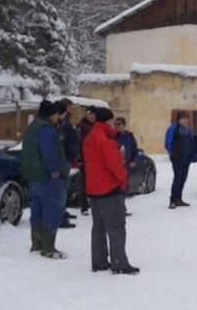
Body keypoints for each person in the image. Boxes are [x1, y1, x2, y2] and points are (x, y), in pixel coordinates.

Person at [83, 108, 139, 275]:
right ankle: (119, 262)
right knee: (116, 227)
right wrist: (123, 181)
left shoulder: (90, 137)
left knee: (98, 226)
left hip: (93, 188)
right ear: (107, 121)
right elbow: (115, 165)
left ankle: (99, 261)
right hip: (109, 188)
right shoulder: (105, 140)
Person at [23, 100, 67, 259]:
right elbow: (49, 153)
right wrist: (54, 170)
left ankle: (37, 243)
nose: (57, 117)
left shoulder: (33, 127)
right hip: (47, 176)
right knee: (51, 209)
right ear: (51, 114)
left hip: (34, 175)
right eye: (56, 114)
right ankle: (48, 247)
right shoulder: (47, 130)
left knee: (37, 209)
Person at [165, 112, 195, 209]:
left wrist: (192, 154)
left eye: (186, 119)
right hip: (177, 157)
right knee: (177, 177)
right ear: (179, 120)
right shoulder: (173, 128)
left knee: (183, 178)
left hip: (186, 158)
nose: (185, 120)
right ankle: (172, 200)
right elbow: (168, 142)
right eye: (183, 119)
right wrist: (172, 153)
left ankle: (179, 198)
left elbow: (191, 142)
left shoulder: (188, 129)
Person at [56, 99, 78, 229]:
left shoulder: (66, 121)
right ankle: (60, 215)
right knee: (61, 189)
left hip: (67, 158)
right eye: (70, 106)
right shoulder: (62, 123)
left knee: (64, 188)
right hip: (63, 159)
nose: (72, 109)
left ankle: (62, 211)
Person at [77, 106, 98, 215]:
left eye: (94, 114)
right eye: (90, 114)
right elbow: (77, 144)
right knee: (85, 183)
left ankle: (94, 204)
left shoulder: (97, 127)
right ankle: (84, 205)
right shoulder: (81, 128)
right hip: (86, 160)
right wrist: (79, 158)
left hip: (97, 160)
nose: (92, 116)